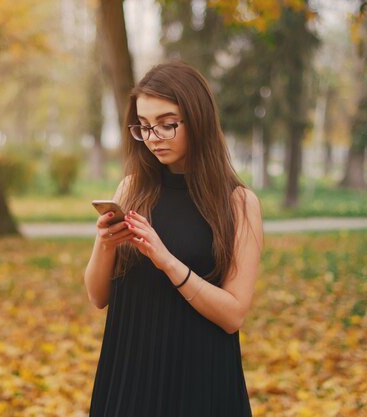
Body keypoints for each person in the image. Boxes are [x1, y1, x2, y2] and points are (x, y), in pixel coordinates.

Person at [84, 61, 263, 417]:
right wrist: (104, 244)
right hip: (129, 374)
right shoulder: (132, 189)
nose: (154, 138)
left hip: (199, 381)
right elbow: (98, 296)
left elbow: (233, 315)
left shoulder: (238, 203)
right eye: (144, 126)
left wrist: (166, 260)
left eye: (167, 124)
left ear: (198, 120)